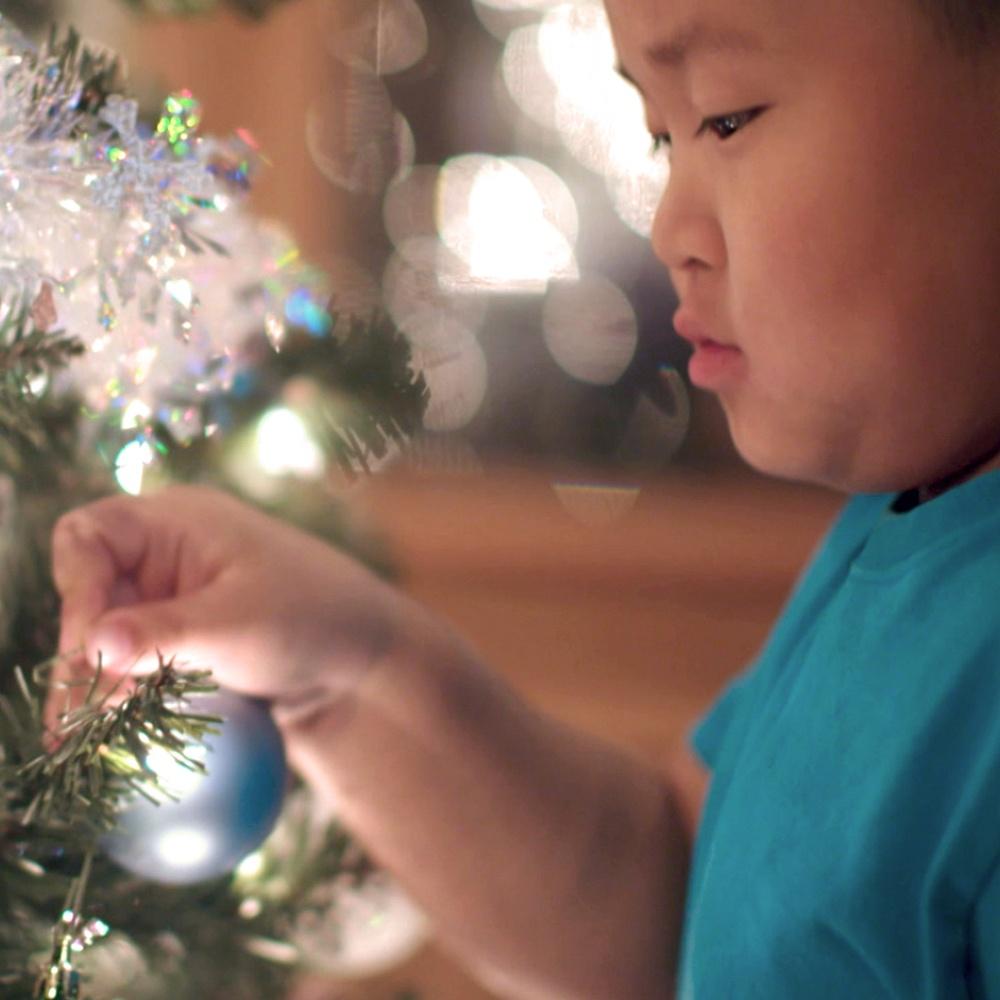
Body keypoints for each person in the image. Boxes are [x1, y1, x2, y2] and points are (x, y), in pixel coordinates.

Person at [51, 0, 1000, 996]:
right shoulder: (900, 533)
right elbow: (672, 905)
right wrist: (343, 667)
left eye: (727, 117)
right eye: (660, 137)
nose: (669, 224)